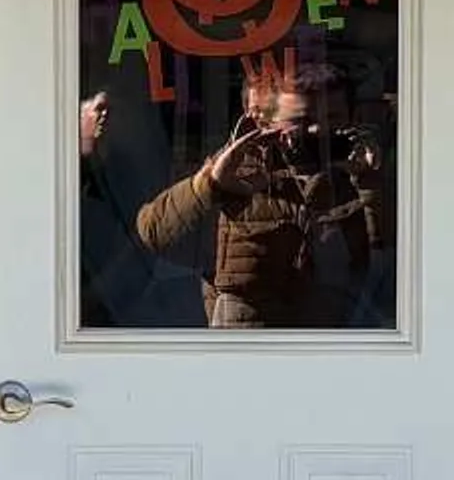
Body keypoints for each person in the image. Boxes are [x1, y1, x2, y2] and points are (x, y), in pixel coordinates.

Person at [129, 53, 389, 330]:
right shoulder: (239, 170)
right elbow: (153, 234)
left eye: (333, 119)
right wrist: (209, 186)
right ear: (268, 123)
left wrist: (369, 182)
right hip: (248, 351)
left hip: (334, 347)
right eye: (301, 120)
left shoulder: (357, 175)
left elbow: (382, 264)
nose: (317, 130)